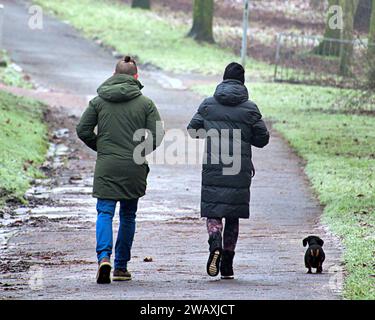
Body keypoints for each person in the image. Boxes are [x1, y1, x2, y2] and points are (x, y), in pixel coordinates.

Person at [76, 56, 164, 284]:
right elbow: (158, 134)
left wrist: (101, 147)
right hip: (133, 166)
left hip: (107, 165)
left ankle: (103, 257)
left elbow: (82, 129)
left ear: (114, 75)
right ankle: (121, 267)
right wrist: (141, 152)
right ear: (136, 77)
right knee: (127, 215)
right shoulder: (146, 103)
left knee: (104, 212)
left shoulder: (98, 101)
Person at [187, 62, 270, 279]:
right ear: (242, 82)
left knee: (214, 211)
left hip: (214, 166)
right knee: (233, 215)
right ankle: (227, 265)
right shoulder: (250, 108)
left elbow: (193, 130)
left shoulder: (208, 104)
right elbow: (263, 138)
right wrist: (244, 137)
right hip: (239, 168)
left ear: (223, 79)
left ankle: (215, 243)